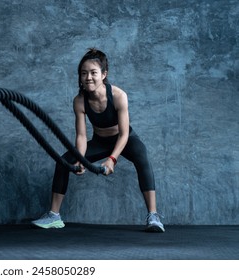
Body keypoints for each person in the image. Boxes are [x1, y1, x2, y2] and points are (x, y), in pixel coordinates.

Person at [32, 48, 165, 232]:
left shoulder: (119, 96)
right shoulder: (79, 101)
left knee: (142, 156)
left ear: (104, 74)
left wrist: (112, 159)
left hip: (124, 140)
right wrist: (80, 158)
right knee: (64, 162)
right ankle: (54, 216)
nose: (88, 78)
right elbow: (81, 136)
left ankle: (153, 216)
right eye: (84, 73)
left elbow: (124, 134)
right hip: (100, 141)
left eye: (93, 73)